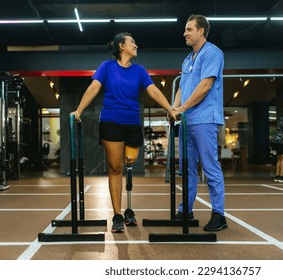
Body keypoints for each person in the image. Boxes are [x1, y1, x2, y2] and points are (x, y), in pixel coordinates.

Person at [71, 32, 177, 233]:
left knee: (129, 163)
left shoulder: (139, 70)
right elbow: (93, 88)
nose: (136, 45)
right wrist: (79, 110)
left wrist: (170, 109)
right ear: (121, 46)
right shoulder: (107, 67)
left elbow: (152, 90)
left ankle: (127, 208)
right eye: (132, 42)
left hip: (132, 123)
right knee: (115, 167)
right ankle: (119, 214)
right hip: (111, 121)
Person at [172, 14, 227, 231]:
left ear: (201, 31)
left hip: (204, 119)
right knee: (187, 169)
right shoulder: (187, 60)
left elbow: (205, 86)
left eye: (189, 29)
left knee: (210, 166)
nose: (185, 33)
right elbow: (182, 88)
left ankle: (219, 215)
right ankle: (186, 209)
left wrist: (182, 108)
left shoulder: (212, 53)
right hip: (187, 121)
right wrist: (173, 109)